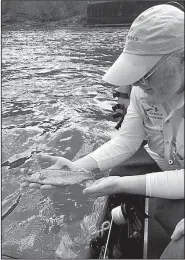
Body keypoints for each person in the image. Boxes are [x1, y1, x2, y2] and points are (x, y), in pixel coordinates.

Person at [22, 4, 184, 258]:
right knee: (121, 172)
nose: (137, 84)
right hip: (165, 160)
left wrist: (122, 184)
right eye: (135, 76)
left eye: (146, 74)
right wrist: (79, 168)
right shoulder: (143, 92)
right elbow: (127, 141)